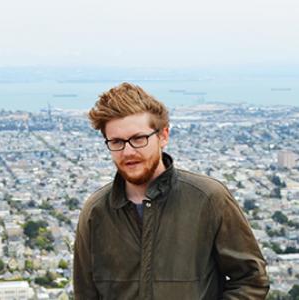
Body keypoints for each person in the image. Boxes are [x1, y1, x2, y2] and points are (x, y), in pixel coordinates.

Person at [73, 82, 269, 299]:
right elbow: (85, 293)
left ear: (163, 136)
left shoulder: (208, 198)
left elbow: (251, 280)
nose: (128, 152)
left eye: (139, 138)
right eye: (117, 142)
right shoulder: (96, 211)